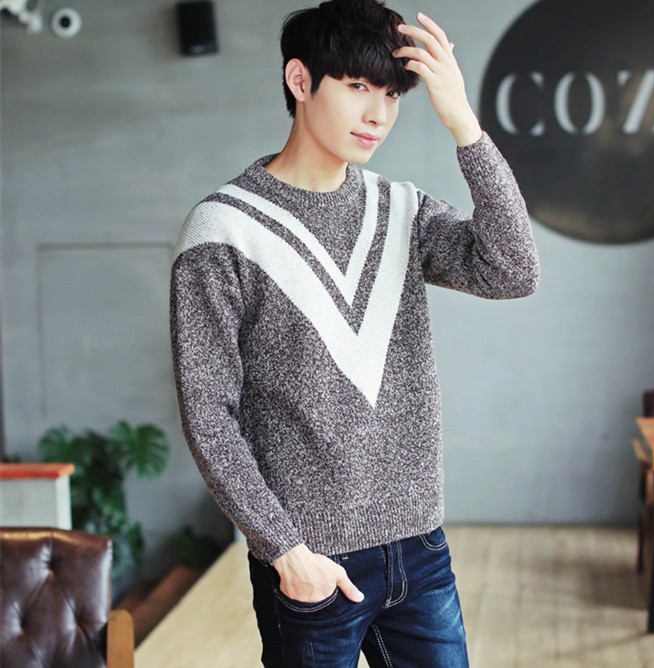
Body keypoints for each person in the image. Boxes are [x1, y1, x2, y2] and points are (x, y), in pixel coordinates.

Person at [170, 0, 539, 665]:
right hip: (309, 563)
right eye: (359, 86)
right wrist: (285, 550)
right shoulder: (224, 230)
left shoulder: (400, 209)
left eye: (393, 94)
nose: (378, 114)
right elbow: (209, 414)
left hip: (419, 550)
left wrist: (465, 125)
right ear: (300, 80)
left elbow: (512, 270)